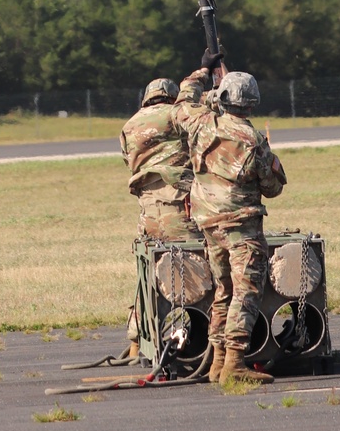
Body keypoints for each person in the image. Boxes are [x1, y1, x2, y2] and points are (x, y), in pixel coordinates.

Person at [174, 54, 286, 386]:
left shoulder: (202, 124)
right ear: (252, 104)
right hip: (241, 228)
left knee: (223, 291)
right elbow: (273, 188)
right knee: (246, 292)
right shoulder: (253, 141)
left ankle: (218, 363)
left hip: (209, 225)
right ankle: (235, 362)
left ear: (223, 98)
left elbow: (183, 100)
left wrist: (203, 71)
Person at [119, 79, 203, 244]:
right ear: (173, 97)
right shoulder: (175, 114)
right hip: (180, 209)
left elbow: (128, 162)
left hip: (148, 214)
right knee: (193, 263)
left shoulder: (128, 125)